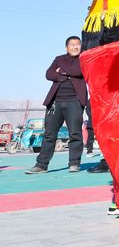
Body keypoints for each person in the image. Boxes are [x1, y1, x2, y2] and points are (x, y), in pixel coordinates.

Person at [25, 37, 87, 174]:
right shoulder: (59, 58)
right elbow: (49, 74)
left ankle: (74, 164)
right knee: (49, 135)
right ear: (66, 47)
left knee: (75, 134)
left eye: (78, 44)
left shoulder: (84, 58)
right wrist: (62, 74)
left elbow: (78, 71)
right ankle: (41, 165)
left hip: (75, 101)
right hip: (55, 102)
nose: (75, 47)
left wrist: (61, 71)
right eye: (72, 45)